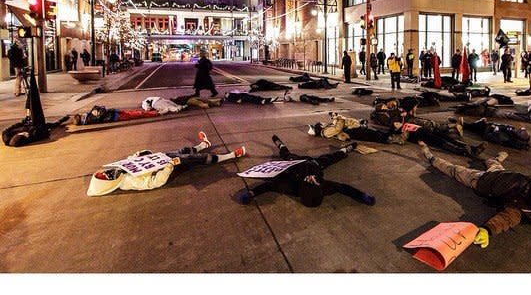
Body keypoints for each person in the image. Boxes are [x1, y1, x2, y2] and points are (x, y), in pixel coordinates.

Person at [417, 143, 531, 248]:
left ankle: (431, 157)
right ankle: (495, 159)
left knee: (454, 170)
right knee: (493, 164)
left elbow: (506, 219)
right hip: (504, 174)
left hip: (481, 181)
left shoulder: (521, 206)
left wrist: (487, 230)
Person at [87, 131, 246, 196]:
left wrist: (138, 155)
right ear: (109, 184)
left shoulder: (120, 170)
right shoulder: (128, 182)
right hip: (166, 168)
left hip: (161, 160)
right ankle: (230, 156)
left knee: (182, 150)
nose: (109, 173)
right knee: (195, 159)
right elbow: (154, 182)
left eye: (105, 172)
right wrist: (170, 166)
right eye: (107, 177)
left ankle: (203, 145)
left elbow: (132, 161)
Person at [239, 135, 375, 208]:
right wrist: (362, 196)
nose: (310, 178)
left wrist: (251, 193)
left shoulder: (290, 186)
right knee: (334, 157)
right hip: (316, 164)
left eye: (307, 181)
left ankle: (278, 142)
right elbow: (343, 188)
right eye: (314, 182)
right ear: (319, 186)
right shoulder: (324, 187)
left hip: (295, 163)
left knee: (285, 153)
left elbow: (269, 186)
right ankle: (350, 147)